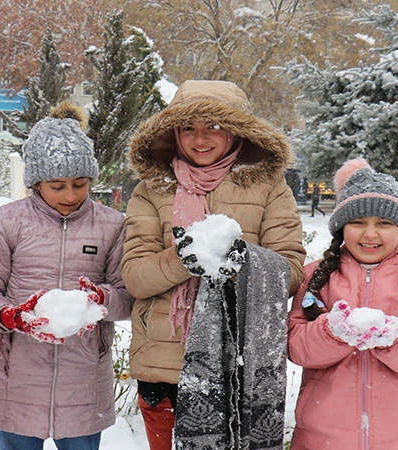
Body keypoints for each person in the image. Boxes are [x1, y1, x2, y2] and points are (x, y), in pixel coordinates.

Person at [121, 80, 306, 449]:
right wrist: (183, 259)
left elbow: (291, 272)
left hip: (239, 365)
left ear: (236, 131)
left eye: (214, 127)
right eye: (188, 127)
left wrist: (243, 263)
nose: (199, 139)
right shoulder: (152, 188)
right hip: (165, 364)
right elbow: (135, 279)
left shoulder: (268, 186)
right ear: (173, 131)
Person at [0, 104, 133, 450]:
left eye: (80, 184)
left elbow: (127, 297)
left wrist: (101, 301)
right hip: (18, 374)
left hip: (84, 376)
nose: (70, 196)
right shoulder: (7, 222)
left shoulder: (111, 225)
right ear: (36, 182)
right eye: (57, 186)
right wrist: (10, 316)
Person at [287, 158, 398, 450]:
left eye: (384, 223)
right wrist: (331, 333)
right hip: (322, 437)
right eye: (357, 222)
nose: (370, 234)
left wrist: (393, 337)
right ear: (342, 227)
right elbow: (295, 345)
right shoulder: (317, 277)